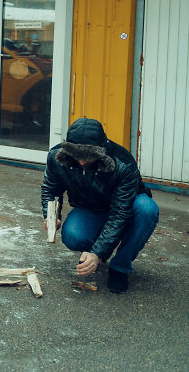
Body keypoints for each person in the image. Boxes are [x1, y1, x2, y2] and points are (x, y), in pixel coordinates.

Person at [41, 117, 158, 293]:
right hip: (91, 207)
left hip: (127, 207)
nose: (81, 162)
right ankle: (100, 248)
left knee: (148, 209)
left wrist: (98, 252)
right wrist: (51, 216)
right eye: (77, 155)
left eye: (88, 157)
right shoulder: (57, 156)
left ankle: (120, 266)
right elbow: (51, 188)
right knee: (73, 235)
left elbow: (120, 212)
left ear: (100, 151)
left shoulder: (123, 163)